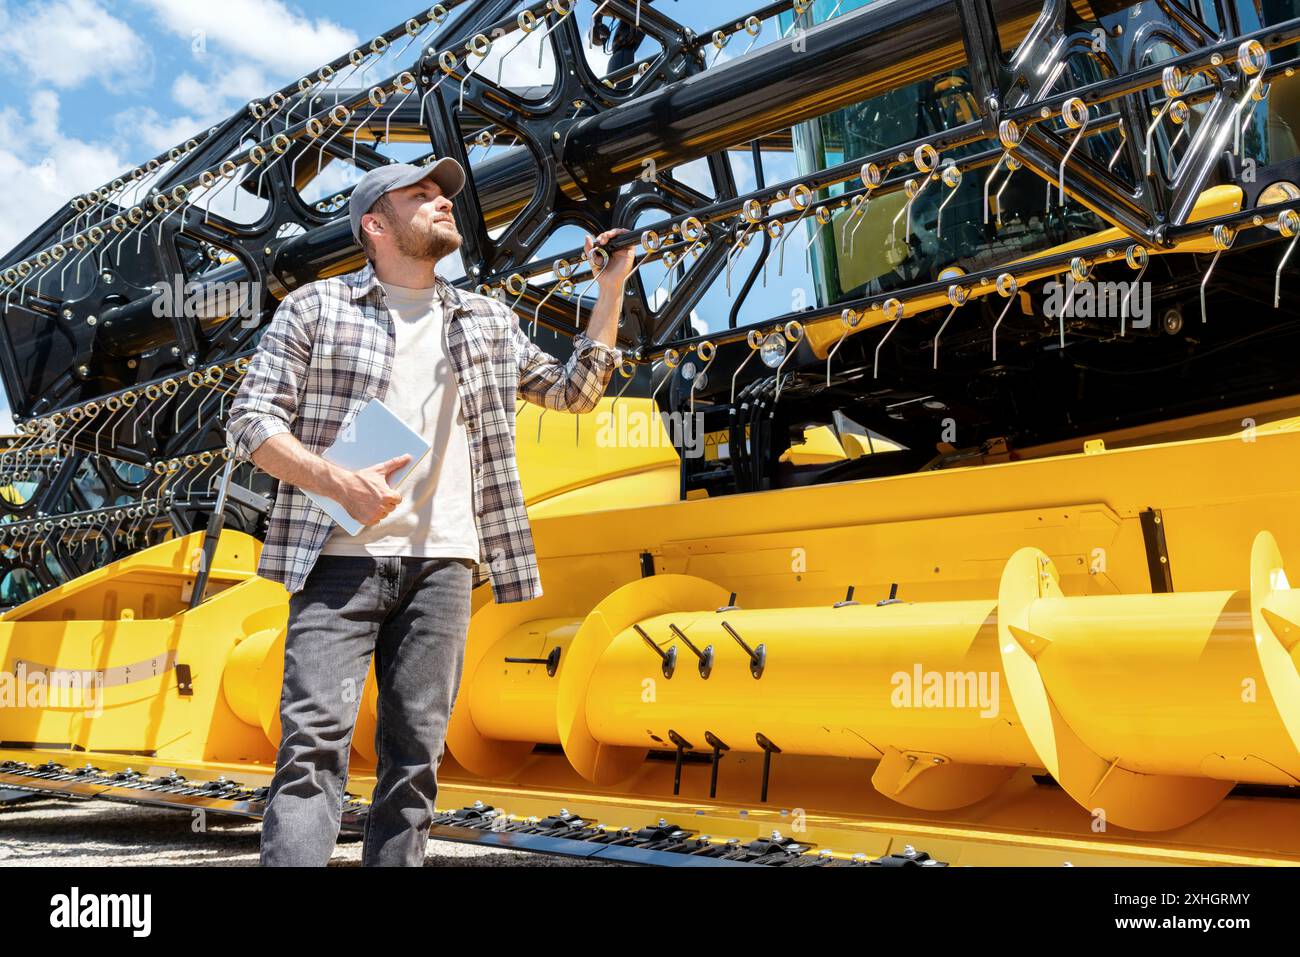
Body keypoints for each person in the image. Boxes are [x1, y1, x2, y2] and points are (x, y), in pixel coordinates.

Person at [224, 158, 632, 866]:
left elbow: (574, 393)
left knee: (415, 758)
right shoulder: (316, 309)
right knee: (313, 747)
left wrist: (611, 288)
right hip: (336, 563)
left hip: (443, 566)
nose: (442, 201)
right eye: (421, 194)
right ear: (373, 226)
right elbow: (249, 422)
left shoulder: (486, 320)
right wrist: (334, 479)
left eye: (443, 193)